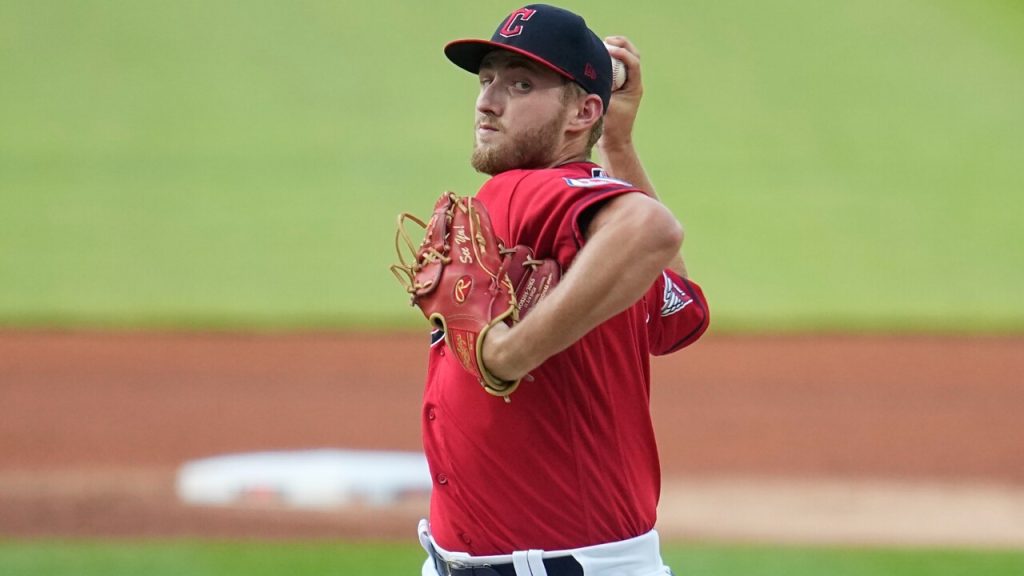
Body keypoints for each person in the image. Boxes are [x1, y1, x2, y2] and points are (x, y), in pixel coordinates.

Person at [417, 5, 710, 575]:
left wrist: (510, 353)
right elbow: (682, 310)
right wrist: (619, 146)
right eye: (487, 79)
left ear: (583, 111)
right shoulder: (590, 225)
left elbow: (654, 230)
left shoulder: (525, 191)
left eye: (521, 84)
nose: (488, 100)